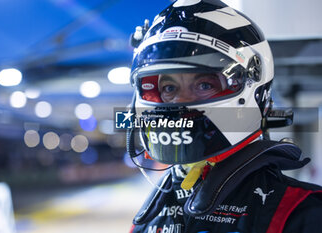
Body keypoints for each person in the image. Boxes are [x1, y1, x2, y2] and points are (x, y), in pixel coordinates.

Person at [125, 0, 322, 232]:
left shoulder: (304, 213)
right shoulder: (151, 212)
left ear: (253, 86)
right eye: (169, 88)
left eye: (204, 84)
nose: (180, 102)